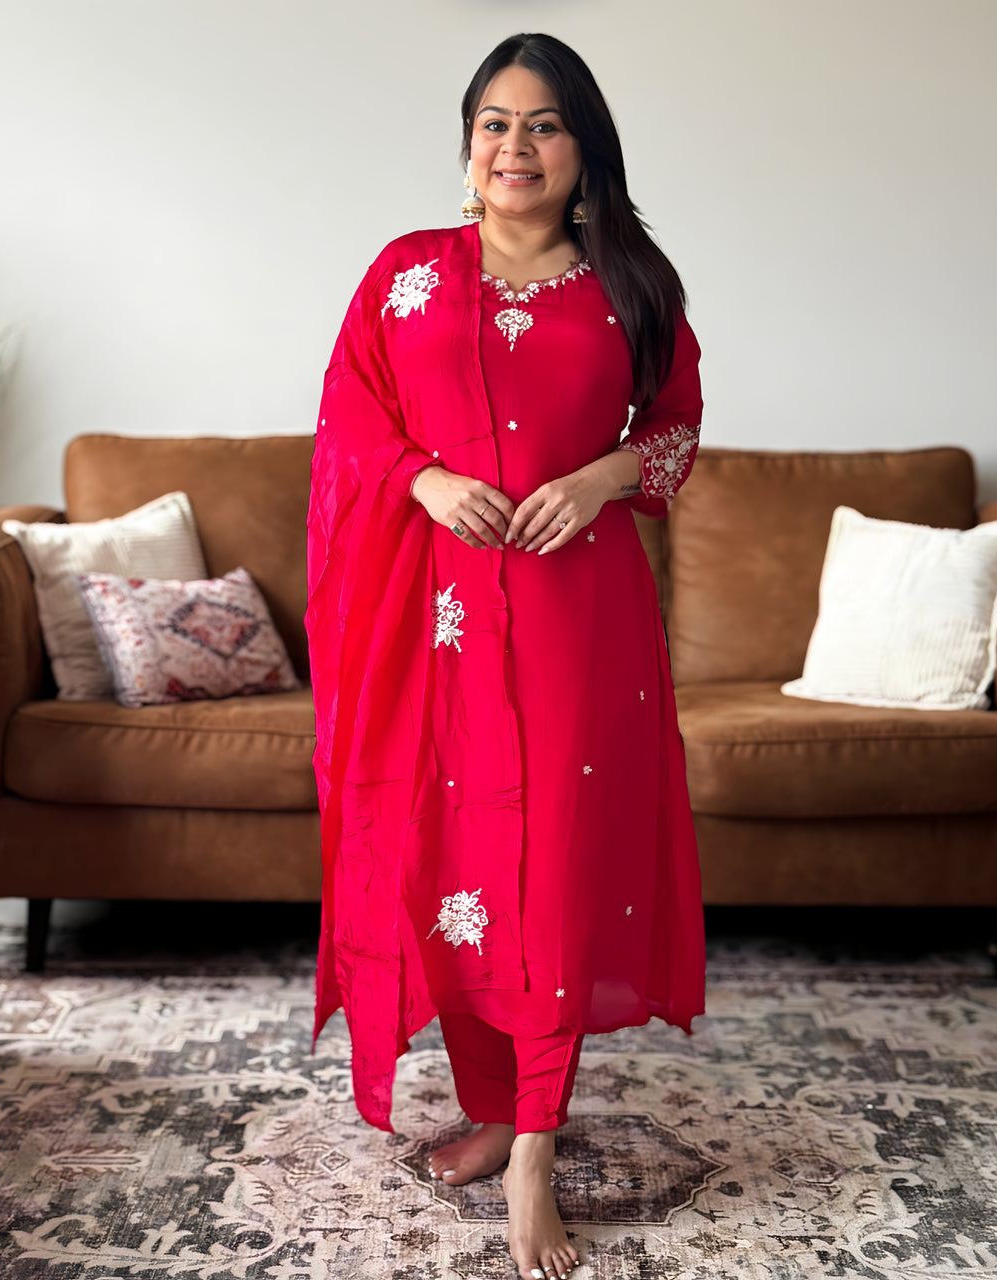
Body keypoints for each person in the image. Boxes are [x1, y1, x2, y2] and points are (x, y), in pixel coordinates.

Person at [306, 32, 705, 1280]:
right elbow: (348, 414)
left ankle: (533, 1144)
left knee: (555, 859)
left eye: (542, 124)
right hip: (435, 618)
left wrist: (603, 475)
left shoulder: (630, 284)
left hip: (577, 618)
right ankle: (492, 1102)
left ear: (582, 149)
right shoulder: (405, 274)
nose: (514, 146)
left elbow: (678, 428)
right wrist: (420, 478)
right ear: (467, 147)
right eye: (493, 122)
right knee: (454, 857)